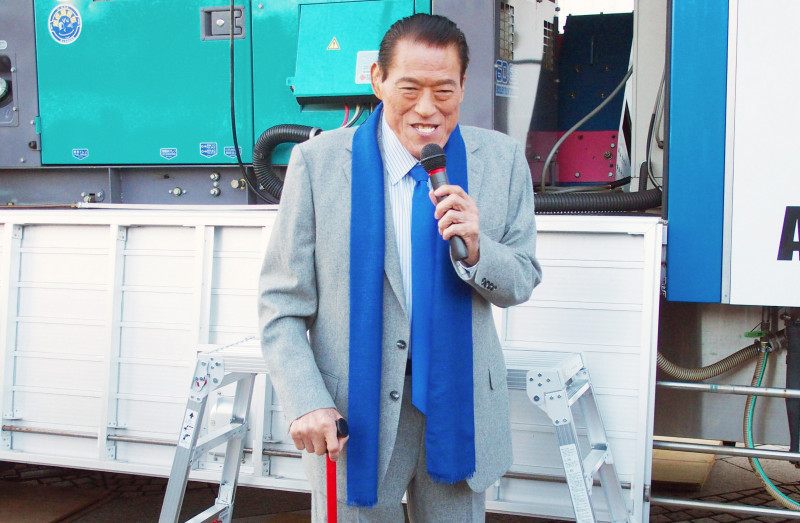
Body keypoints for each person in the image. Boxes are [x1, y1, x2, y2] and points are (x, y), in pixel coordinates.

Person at [258, 13, 541, 521]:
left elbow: (521, 279)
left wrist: (479, 249)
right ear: (378, 80)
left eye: (444, 91)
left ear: (463, 86)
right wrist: (306, 399)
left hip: (461, 407)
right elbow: (281, 305)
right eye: (409, 88)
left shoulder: (500, 161)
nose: (427, 109)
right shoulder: (317, 164)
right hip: (353, 413)